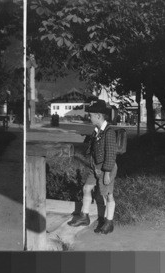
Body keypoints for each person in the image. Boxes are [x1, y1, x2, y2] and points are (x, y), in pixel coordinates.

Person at [68, 99, 118, 234]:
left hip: (107, 167)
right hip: (95, 166)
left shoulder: (109, 132)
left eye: (90, 115)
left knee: (109, 195)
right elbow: (93, 149)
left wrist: (107, 172)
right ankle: (84, 217)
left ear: (98, 116)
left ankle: (109, 222)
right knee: (86, 188)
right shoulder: (97, 131)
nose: (89, 117)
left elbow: (111, 154)